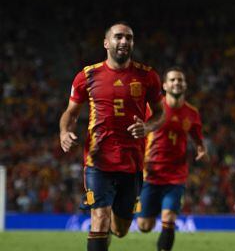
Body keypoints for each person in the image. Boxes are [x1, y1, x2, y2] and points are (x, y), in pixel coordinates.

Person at [59, 22, 165, 251]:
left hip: (132, 163)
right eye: (118, 37)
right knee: (99, 217)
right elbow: (71, 112)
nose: (124, 41)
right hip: (97, 161)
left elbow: (160, 114)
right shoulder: (87, 75)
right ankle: (100, 228)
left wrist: (147, 127)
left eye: (129, 38)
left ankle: (109, 230)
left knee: (120, 229)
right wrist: (64, 131)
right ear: (106, 43)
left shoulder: (147, 76)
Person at [137, 67, 207, 251]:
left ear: (185, 85)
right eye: (173, 80)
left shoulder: (192, 113)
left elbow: (197, 135)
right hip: (150, 174)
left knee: (169, 218)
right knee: (145, 226)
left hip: (176, 176)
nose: (177, 83)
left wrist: (200, 148)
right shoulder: (151, 108)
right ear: (165, 86)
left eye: (180, 80)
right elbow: (139, 130)